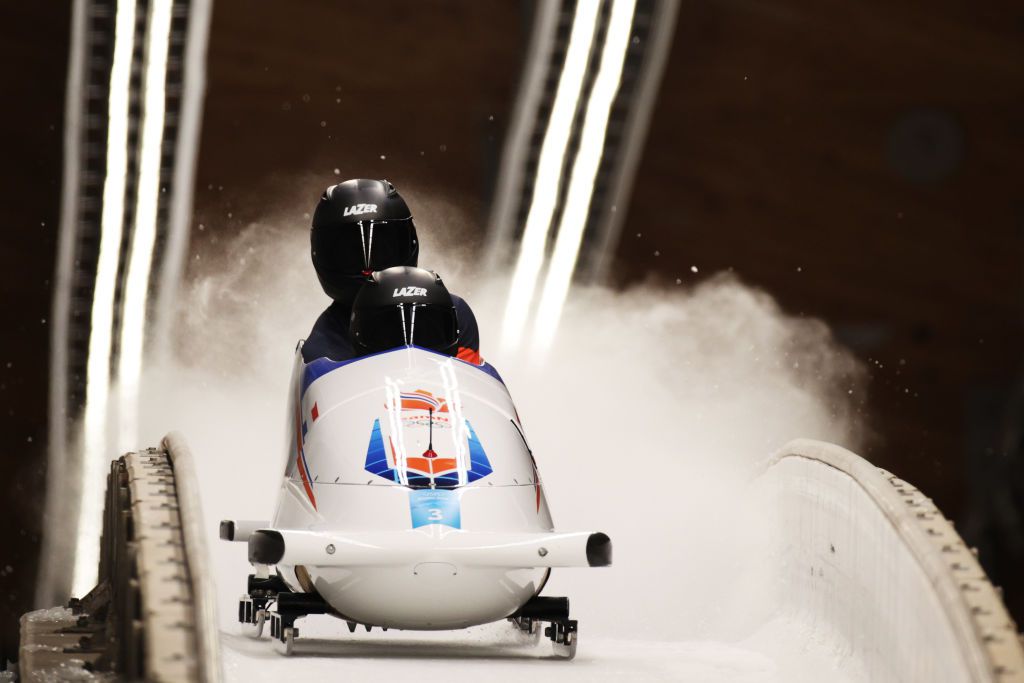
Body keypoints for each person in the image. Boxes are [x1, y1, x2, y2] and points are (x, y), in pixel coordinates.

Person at [303, 178, 481, 364]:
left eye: (380, 249)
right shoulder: (323, 349)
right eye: (351, 251)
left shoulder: (452, 313)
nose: (367, 268)